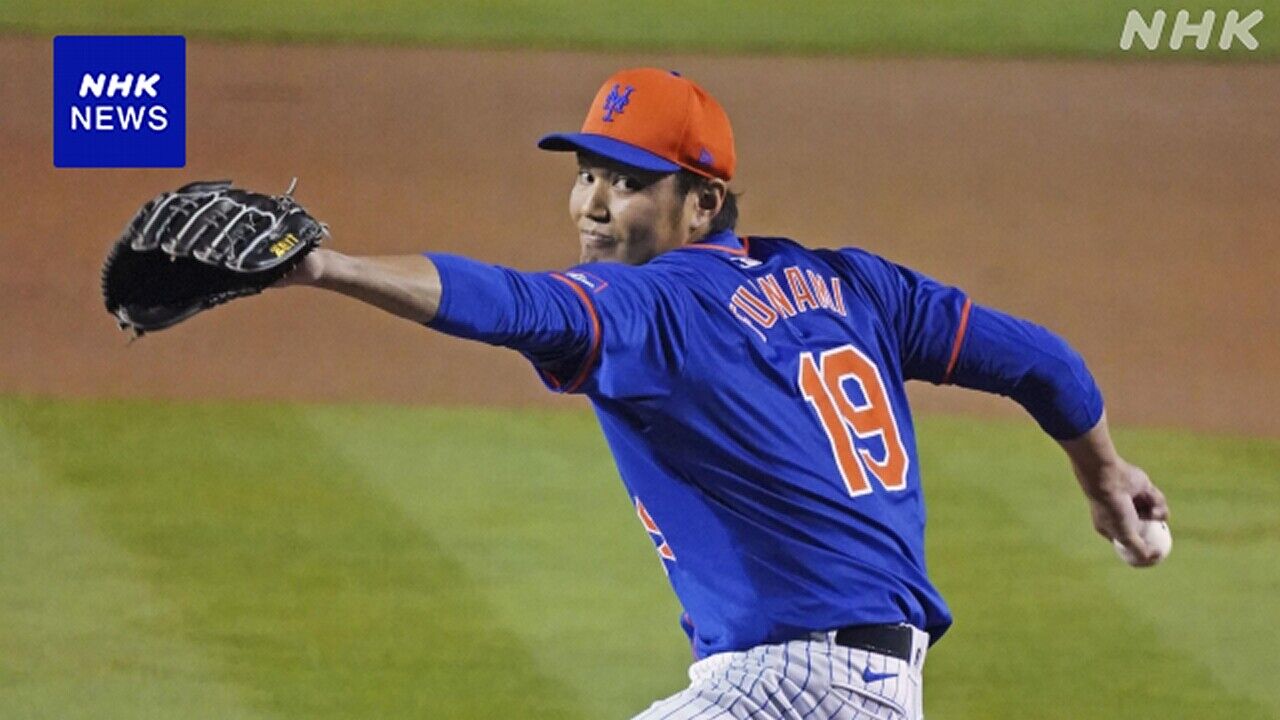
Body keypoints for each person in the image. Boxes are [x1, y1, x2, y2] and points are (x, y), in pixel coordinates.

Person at [280, 68, 1170, 719]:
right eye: (587, 173)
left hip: (793, 689)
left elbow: (514, 303)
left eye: (629, 182)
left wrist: (328, 267)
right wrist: (1105, 476)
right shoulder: (855, 286)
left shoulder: (659, 303)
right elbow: (1044, 363)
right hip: (864, 690)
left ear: (702, 204)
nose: (594, 204)